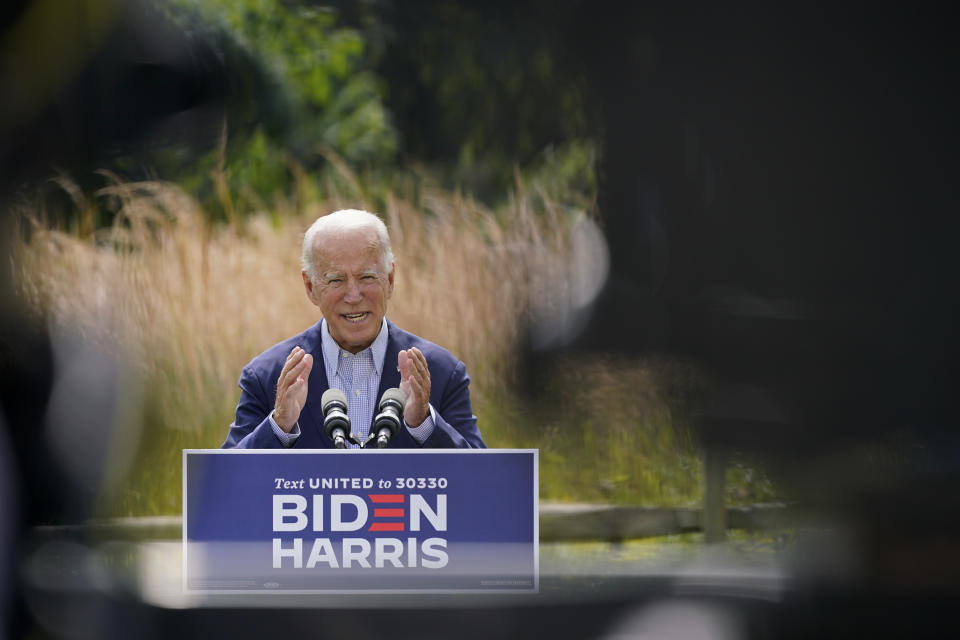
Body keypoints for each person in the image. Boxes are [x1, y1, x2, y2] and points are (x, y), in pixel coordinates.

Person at [222, 209, 485, 449]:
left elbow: (483, 481)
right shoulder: (267, 376)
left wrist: (424, 423)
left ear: (390, 280)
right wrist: (278, 425)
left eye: (367, 277)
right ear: (311, 287)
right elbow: (226, 484)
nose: (353, 295)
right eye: (336, 280)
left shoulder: (441, 373)